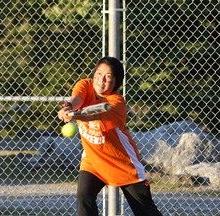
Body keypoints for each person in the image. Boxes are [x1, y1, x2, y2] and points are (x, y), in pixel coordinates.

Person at [58, 56, 162, 216]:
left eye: (108, 77)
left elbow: (95, 115)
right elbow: (76, 98)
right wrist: (68, 107)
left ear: (116, 82)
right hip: (93, 160)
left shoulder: (117, 103)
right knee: (84, 199)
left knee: (145, 210)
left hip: (122, 163)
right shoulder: (86, 85)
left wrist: (75, 116)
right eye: (98, 74)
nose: (101, 80)